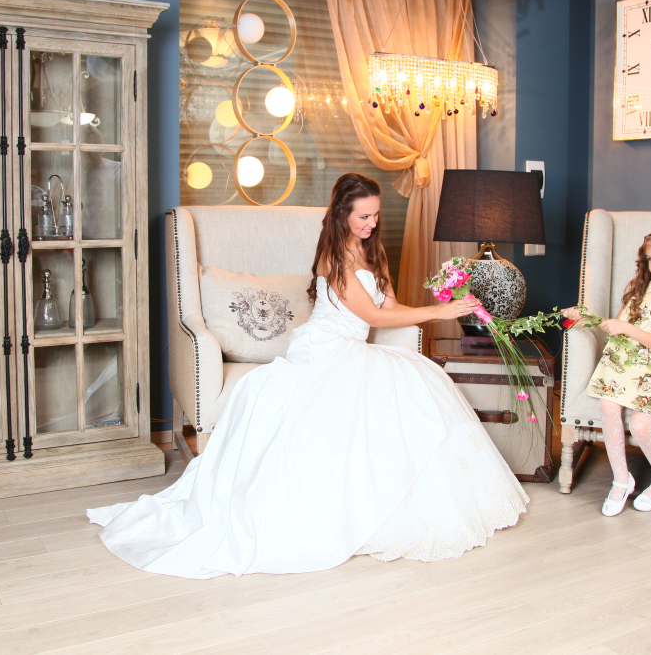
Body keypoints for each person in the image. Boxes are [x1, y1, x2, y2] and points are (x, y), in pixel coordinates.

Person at [87, 173, 529, 579]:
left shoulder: (373, 251)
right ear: (342, 215)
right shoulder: (333, 258)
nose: (372, 223)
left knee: (419, 381)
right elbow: (372, 315)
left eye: (376, 215)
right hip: (325, 347)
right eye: (364, 216)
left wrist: (444, 305)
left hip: (354, 347)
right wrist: (442, 312)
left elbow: (391, 306)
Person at [562, 225, 651, 516]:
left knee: (640, 425)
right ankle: (621, 480)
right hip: (628, 358)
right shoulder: (638, 288)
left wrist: (625, 327)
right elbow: (615, 329)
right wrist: (587, 317)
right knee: (608, 406)